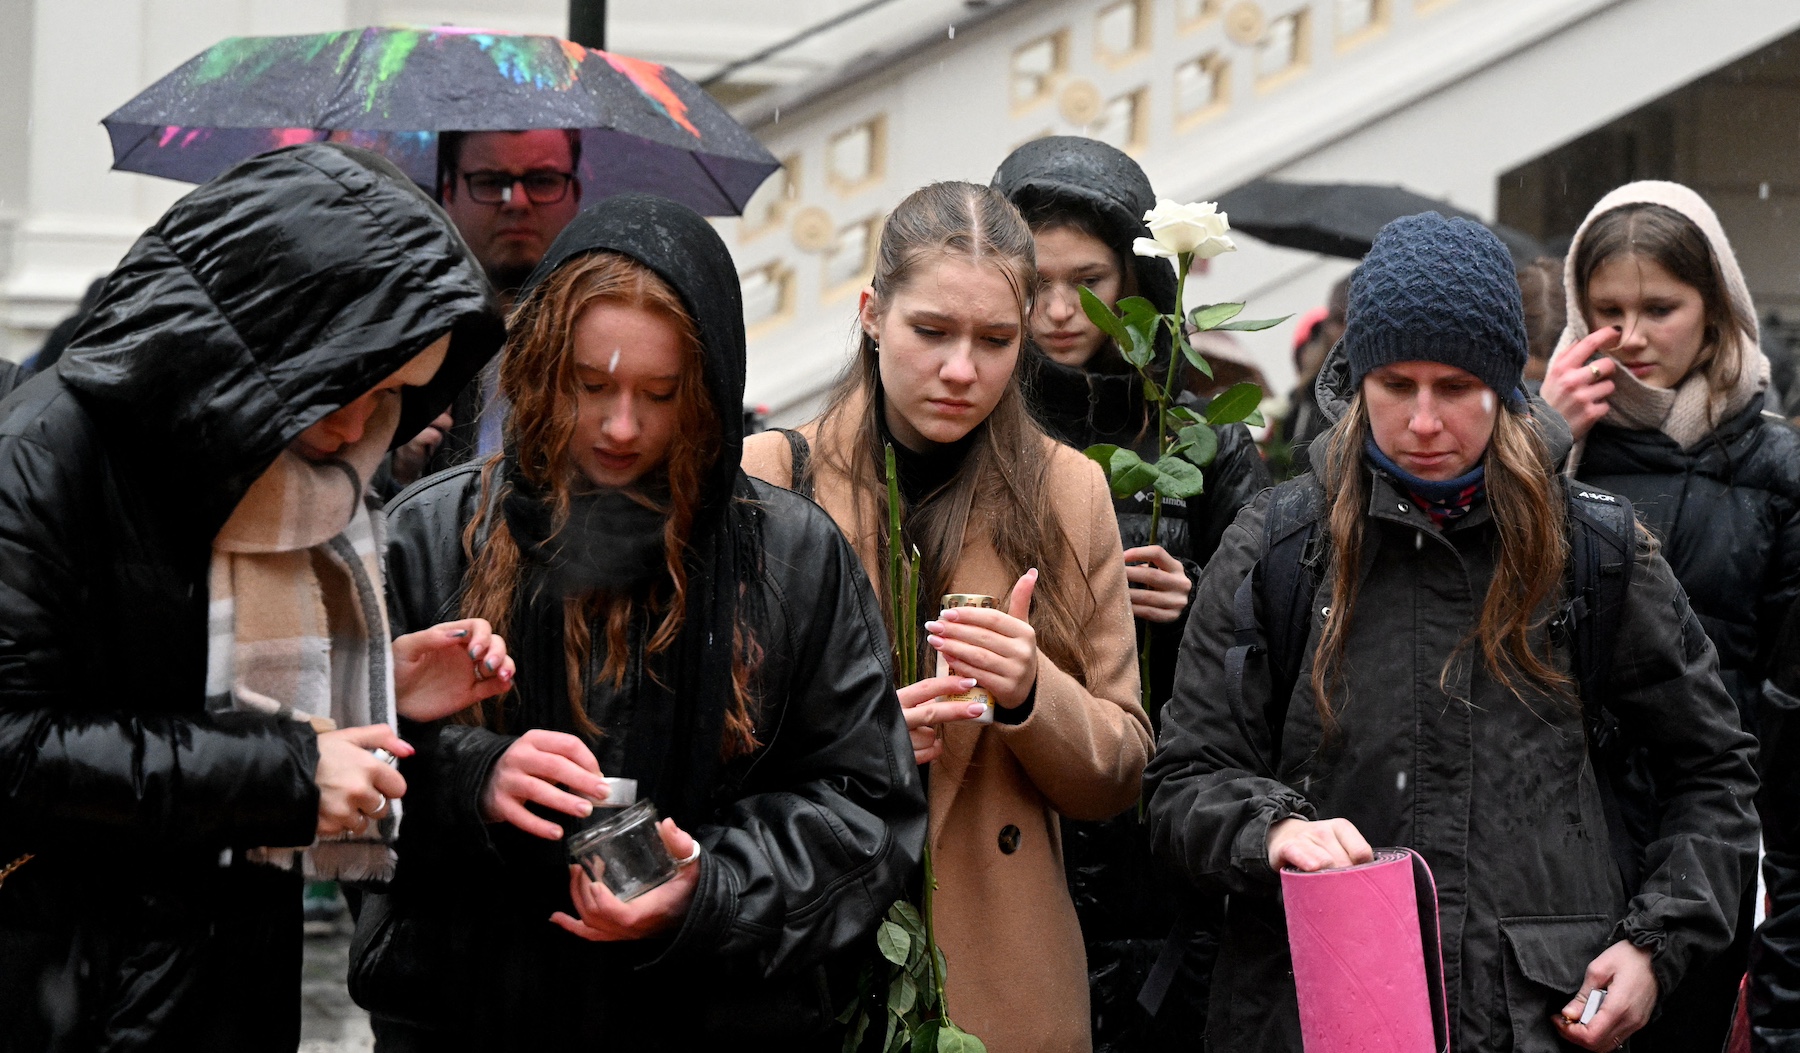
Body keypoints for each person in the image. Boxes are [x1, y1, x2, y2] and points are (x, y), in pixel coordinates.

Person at [1147, 212, 1760, 1053]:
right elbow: (1185, 779)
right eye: (1396, 385)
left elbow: (1714, 774)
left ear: (1505, 386)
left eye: (1456, 387)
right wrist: (1274, 829)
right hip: (1313, 1016)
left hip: (1533, 1020)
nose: (1425, 422)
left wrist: (1655, 945)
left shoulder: (1597, 550)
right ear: (1354, 380)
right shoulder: (1280, 546)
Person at [348, 193, 924, 1051]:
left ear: (706, 390)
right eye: (592, 386)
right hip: (472, 1012)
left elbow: (865, 808)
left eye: (658, 393)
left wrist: (711, 887)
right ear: (544, 367)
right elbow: (333, 777)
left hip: (718, 1018)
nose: (621, 426)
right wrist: (473, 779)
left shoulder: (793, 555)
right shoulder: (434, 534)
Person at [0, 142, 510, 1051]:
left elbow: (186, 685)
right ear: (270, 335)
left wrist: (383, 687)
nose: (362, 425)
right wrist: (288, 772)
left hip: (219, 986)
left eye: (391, 393)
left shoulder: (280, 467)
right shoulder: (40, 459)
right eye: (345, 382)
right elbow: (13, 748)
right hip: (61, 991)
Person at [742, 180, 1151, 1053]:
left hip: (1001, 969)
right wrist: (860, 741)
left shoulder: (1067, 490)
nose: (962, 369)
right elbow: (708, 742)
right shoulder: (773, 478)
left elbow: (1119, 771)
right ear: (871, 313)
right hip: (811, 953)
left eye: (996, 340)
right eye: (932, 331)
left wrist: (1032, 692)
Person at [990, 134, 1269, 1050]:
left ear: (1143, 285)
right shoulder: (974, 438)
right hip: (1015, 818)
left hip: (1166, 852)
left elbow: (1279, 647)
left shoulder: (1208, 445)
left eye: (1092, 280)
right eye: (1037, 283)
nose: (1062, 311)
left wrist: (1195, 608)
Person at [1541, 180, 1800, 1051]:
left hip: (1706, 849)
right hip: (1551, 846)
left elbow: (1783, 703)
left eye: (1661, 306)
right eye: (1606, 308)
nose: (1634, 335)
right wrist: (1541, 441)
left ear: (1716, 305)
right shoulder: (1539, 441)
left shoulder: (1776, 468)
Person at [385, 129, 587, 492]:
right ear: (448, 193)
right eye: (492, 182)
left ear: (575, 193)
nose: (517, 202)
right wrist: (395, 467)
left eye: (542, 181)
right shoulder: (392, 336)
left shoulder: (612, 342)